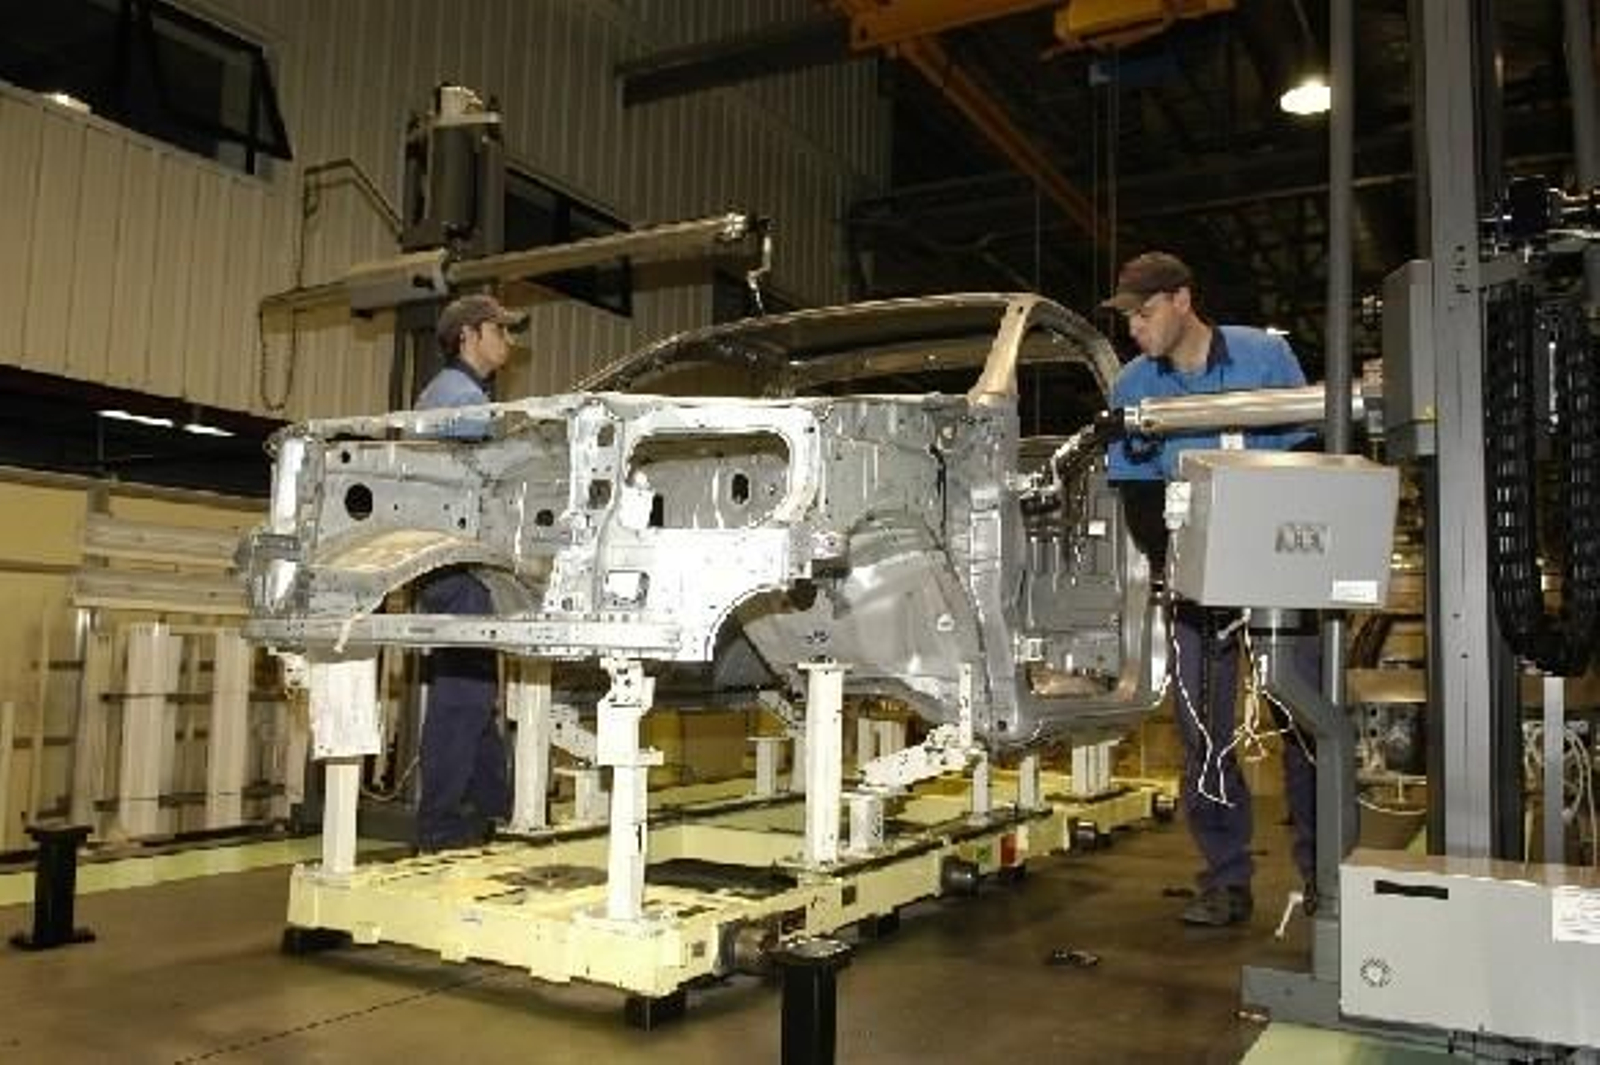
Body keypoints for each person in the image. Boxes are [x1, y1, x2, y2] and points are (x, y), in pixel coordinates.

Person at [1100, 252, 1319, 927]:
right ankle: (1226, 877)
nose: (1134, 328)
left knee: (1305, 721)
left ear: (1182, 299)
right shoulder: (1133, 384)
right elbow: (1135, 491)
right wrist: (1177, 566)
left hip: (1282, 559)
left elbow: (1313, 450)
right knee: (1204, 731)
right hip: (1193, 571)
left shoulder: (1264, 357)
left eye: (1144, 312)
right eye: (1128, 317)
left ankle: (1324, 875)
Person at [412, 292, 527, 850]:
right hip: (455, 567)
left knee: (477, 697)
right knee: (463, 697)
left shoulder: (456, 394)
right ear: (469, 336)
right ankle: (436, 826)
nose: (508, 341)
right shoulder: (460, 399)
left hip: (452, 565)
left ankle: (494, 811)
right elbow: (498, 478)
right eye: (499, 331)